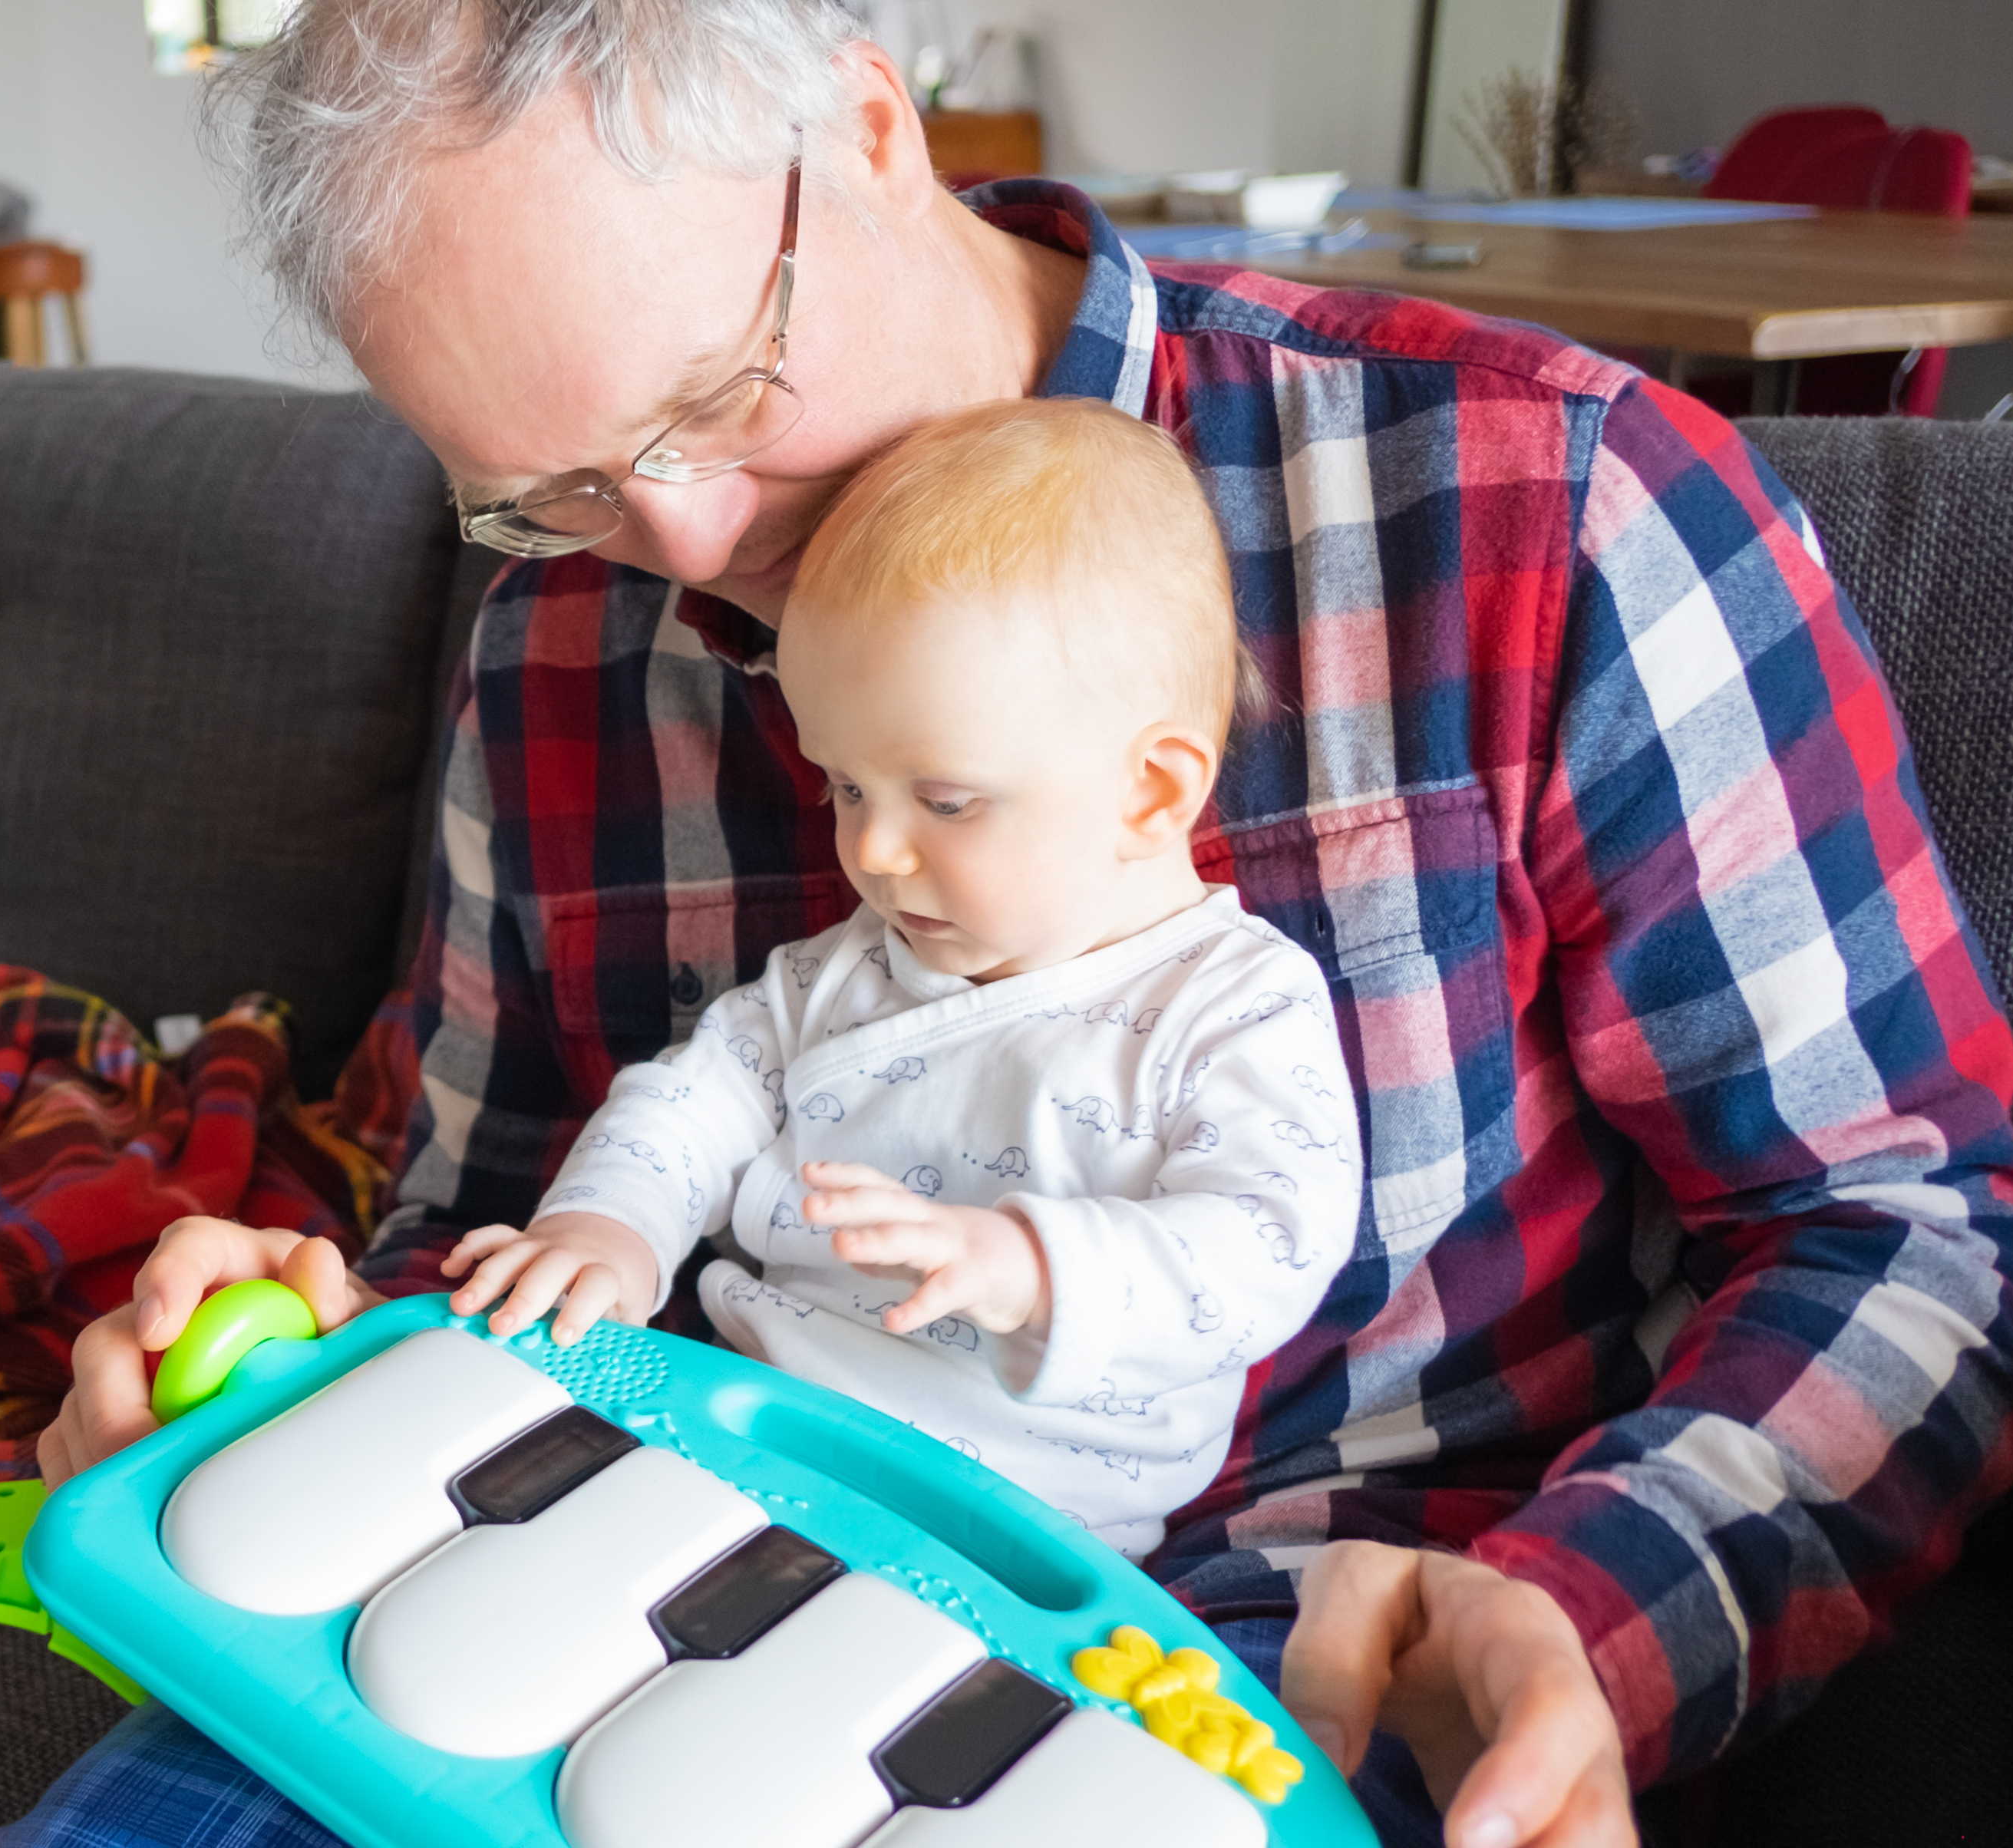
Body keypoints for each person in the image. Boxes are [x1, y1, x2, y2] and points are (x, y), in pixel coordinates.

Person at [0, 0, 2013, 1848]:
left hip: (1310, 1622)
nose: (681, 551)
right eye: (551, 484)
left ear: (870, 126)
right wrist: (299, 1358)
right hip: (688, 1503)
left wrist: (1587, 1619)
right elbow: (486, 1228)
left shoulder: (1534, 510)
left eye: (708, 395)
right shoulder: (562, 641)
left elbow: (1900, 1223)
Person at [444, 396, 1361, 1563]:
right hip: (741, 1445)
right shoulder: (840, 977)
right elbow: (689, 1105)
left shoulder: (1231, 1008)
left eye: (943, 801)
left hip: (1018, 1531)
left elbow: (1265, 1241)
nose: (872, 853)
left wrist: (1024, 1266)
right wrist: (606, 1228)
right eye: (845, 788)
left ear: (1149, 792)